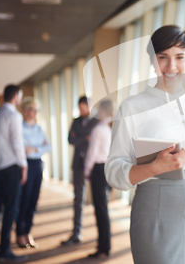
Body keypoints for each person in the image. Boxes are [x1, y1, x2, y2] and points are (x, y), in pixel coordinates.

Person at [105, 25, 185, 264]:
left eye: (179, 57)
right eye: (163, 57)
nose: (171, 66)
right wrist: (155, 167)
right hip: (153, 208)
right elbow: (113, 171)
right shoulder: (132, 106)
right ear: (152, 60)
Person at [0, 84, 28, 262]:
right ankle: (4, 249)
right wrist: (24, 166)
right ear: (16, 97)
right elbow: (17, 143)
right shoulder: (14, 116)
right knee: (10, 209)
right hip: (11, 168)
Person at [61, 96, 98, 245]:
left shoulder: (96, 122)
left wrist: (80, 138)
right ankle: (76, 232)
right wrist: (85, 138)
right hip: (78, 164)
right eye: (80, 107)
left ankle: (100, 237)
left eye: (85, 107)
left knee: (98, 200)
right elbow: (70, 139)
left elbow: (94, 140)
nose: (82, 110)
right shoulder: (75, 121)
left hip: (94, 165)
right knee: (78, 199)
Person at [16, 97, 51, 249]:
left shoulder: (39, 129)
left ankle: (28, 232)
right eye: (31, 109)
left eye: (36, 110)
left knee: (34, 200)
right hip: (26, 165)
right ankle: (19, 233)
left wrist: (35, 148)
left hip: (38, 165)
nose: (34, 113)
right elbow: (23, 149)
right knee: (24, 200)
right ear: (24, 111)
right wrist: (38, 146)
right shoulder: (19, 128)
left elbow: (48, 147)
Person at [84, 99, 114, 258]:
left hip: (98, 169)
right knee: (104, 208)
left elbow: (92, 153)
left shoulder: (99, 129)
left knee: (100, 209)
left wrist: (87, 171)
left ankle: (103, 247)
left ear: (103, 111)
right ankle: (105, 245)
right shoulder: (111, 128)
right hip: (107, 169)